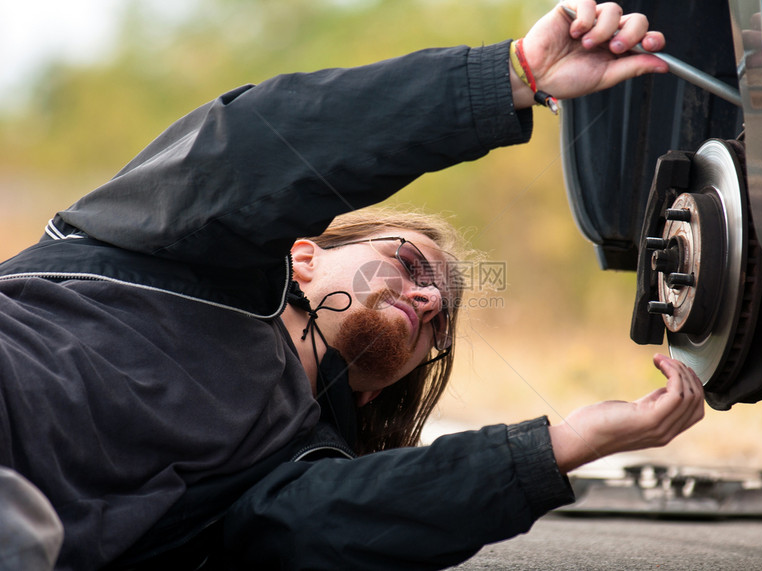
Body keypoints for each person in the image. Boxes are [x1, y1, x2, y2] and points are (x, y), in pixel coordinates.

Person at [0, 1, 704, 569]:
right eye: (409, 264)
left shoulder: (297, 465)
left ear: (374, 390)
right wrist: (510, 77)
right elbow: (257, 151)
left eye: (439, 323)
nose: (429, 301)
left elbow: (348, 523)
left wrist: (563, 443)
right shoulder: (167, 247)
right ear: (303, 258)